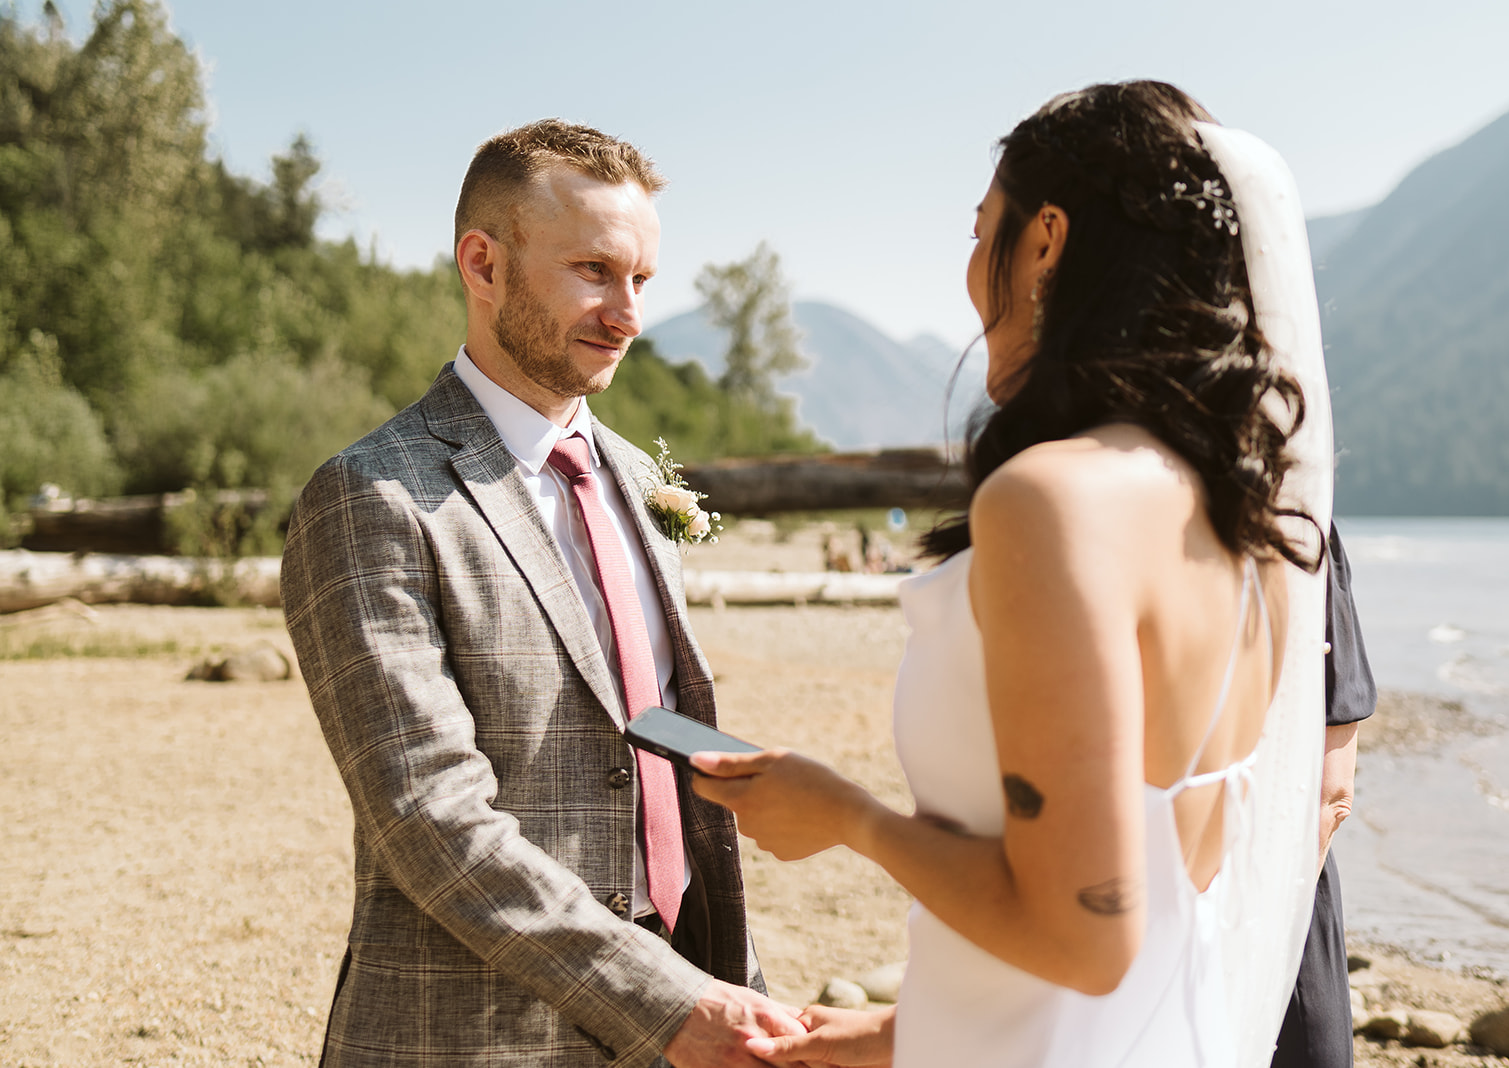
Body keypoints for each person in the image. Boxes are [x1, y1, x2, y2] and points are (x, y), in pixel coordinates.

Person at [691, 81, 1335, 1067]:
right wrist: (896, 1036)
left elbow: (1085, 936)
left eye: (977, 229)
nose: (967, 268)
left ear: (1042, 243)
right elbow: (1164, 900)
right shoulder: (1259, 537)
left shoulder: (1053, 502)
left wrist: (848, 818)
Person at [279, 121, 803, 1068]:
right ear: (483, 263)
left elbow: (634, 718)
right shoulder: (370, 498)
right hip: (475, 1029)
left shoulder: (641, 478)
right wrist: (667, 1004)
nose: (628, 314)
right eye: (595, 272)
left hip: (686, 985)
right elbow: (429, 819)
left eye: (641, 280)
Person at [1275, 523, 1377, 1068]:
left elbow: (1331, 796)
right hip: (1250, 895)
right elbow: (1331, 796)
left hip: (1279, 891)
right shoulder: (1299, 530)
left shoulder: (1303, 536)